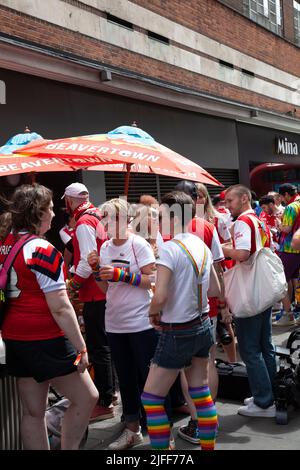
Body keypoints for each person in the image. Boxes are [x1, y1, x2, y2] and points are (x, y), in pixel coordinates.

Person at [0, 184, 98, 450]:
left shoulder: (5, 244)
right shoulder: (42, 249)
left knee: (33, 412)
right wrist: (81, 347)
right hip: (46, 338)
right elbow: (61, 307)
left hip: (14, 337)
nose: (55, 214)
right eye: (51, 208)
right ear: (37, 213)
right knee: (88, 397)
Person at [141, 191, 220, 451]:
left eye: (162, 215)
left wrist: (153, 312)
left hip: (178, 331)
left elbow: (160, 296)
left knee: (151, 399)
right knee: (200, 392)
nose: (159, 221)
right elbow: (214, 290)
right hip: (203, 326)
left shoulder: (170, 249)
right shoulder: (202, 246)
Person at [87, 198, 159, 450]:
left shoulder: (138, 244)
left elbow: (153, 279)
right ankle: (132, 429)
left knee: (150, 380)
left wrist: (123, 274)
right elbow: (104, 288)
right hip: (115, 322)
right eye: (104, 218)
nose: (106, 223)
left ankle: (161, 431)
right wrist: (97, 269)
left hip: (141, 322)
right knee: (126, 380)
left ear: (125, 219)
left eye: (111, 218)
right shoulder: (105, 247)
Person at [222, 184, 277, 418]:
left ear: (244, 198)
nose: (227, 206)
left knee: (250, 349)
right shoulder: (257, 219)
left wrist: (223, 250)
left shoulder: (244, 221)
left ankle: (264, 402)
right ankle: (268, 394)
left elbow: (243, 254)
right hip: (262, 290)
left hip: (250, 292)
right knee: (265, 346)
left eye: (230, 201)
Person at [62, 182, 115, 421]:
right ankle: (110, 394)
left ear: (69, 201)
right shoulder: (98, 215)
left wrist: (72, 285)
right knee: (104, 344)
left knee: (98, 346)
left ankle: (105, 399)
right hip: (104, 290)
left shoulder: (84, 222)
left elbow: (87, 260)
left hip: (95, 291)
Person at [274, 183, 300, 326]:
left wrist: (279, 224)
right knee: (296, 281)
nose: (282, 201)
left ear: (286, 195)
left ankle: (288, 314)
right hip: (298, 247)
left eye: (281, 197)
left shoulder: (291, 207)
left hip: (290, 249)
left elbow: (287, 228)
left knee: (282, 281)